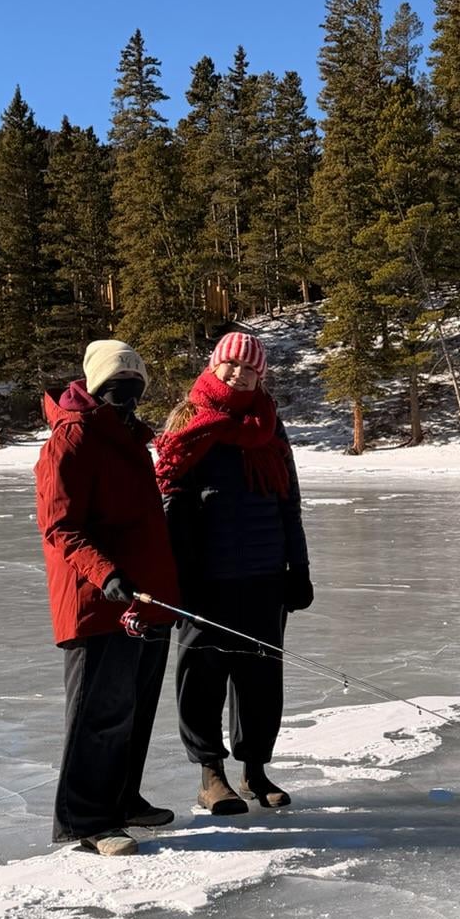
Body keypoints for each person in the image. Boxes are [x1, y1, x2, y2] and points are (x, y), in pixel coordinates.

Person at [155, 329, 313, 815]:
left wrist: (299, 567)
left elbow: (288, 499)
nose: (240, 374)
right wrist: (178, 575)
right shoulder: (189, 416)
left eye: (250, 369)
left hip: (265, 573)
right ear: (214, 364)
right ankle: (211, 776)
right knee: (201, 678)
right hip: (207, 577)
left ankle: (255, 770)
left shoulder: (269, 423)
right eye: (232, 365)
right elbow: (169, 498)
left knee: (260, 678)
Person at [35, 339, 180, 857]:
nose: (128, 397)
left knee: (134, 707)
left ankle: (122, 799)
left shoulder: (130, 439)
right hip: (97, 599)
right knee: (99, 712)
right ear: (96, 386)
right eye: (118, 386)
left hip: (145, 599)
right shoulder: (72, 438)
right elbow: (60, 525)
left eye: (135, 387)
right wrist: (105, 573)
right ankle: (89, 820)